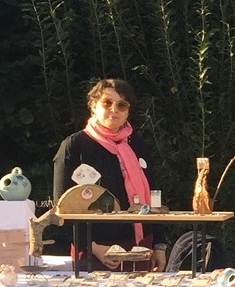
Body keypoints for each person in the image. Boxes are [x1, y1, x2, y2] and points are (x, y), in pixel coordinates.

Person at [52, 78, 167, 271]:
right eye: (107, 103)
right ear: (93, 106)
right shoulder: (74, 146)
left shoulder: (137, 145)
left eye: (122, 105)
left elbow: (154, 195)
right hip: (94, 252)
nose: (114, 109)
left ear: (128, 111)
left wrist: (159, 245)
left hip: (140, 248)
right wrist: (93, 247)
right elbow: (61, 208)